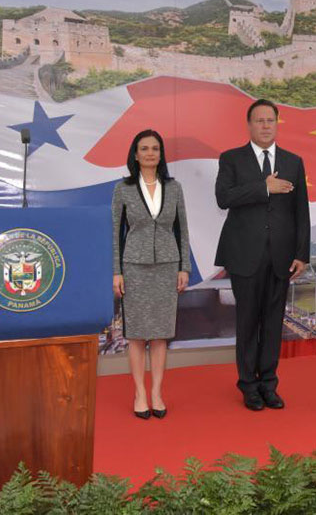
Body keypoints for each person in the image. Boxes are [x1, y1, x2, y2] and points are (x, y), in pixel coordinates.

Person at [215, 98, 310, 411]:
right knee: (248, 322)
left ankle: (269, 383)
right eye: (259, 120)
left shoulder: (294, 161)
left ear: (277, 123)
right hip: (244, 254)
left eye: (271, 120)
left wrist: (302, 254)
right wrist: (264, 187)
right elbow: (223, 197)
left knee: (272, 323)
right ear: (249, 124)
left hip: (282, 257)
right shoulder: (231, 159)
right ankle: (248, 386)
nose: (266, 125)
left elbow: (301, 212)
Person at [112, 130, 191, 420]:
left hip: (167, 267)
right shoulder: (123, 188)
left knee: (159, 335)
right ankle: (140, 393)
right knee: (136, 336)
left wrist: (184, 267)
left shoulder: (175, 187)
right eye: (143, 148)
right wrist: (116, 272)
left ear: (161, 154)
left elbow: (182, 229)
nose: (149, 153)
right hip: (134, 267)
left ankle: (157, 391)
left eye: (155, 148)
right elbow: (115, 233)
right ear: (135, 154)